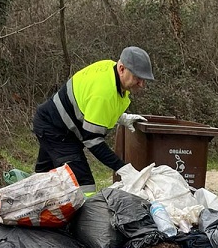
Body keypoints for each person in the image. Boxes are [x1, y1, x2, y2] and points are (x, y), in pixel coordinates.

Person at [32, 46, 155, 193]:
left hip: (54, 122)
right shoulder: (104, 92)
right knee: (84, 184)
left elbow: (92, 106)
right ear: (122, 69)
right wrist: (122, 168)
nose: (141, 84)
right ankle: (87, 216)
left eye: (144, 79)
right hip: (56, 130)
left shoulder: (111, 71)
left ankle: (22, 207)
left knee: (42, 178)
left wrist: (121, 118)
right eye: (137, 78)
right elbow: (93, 141)